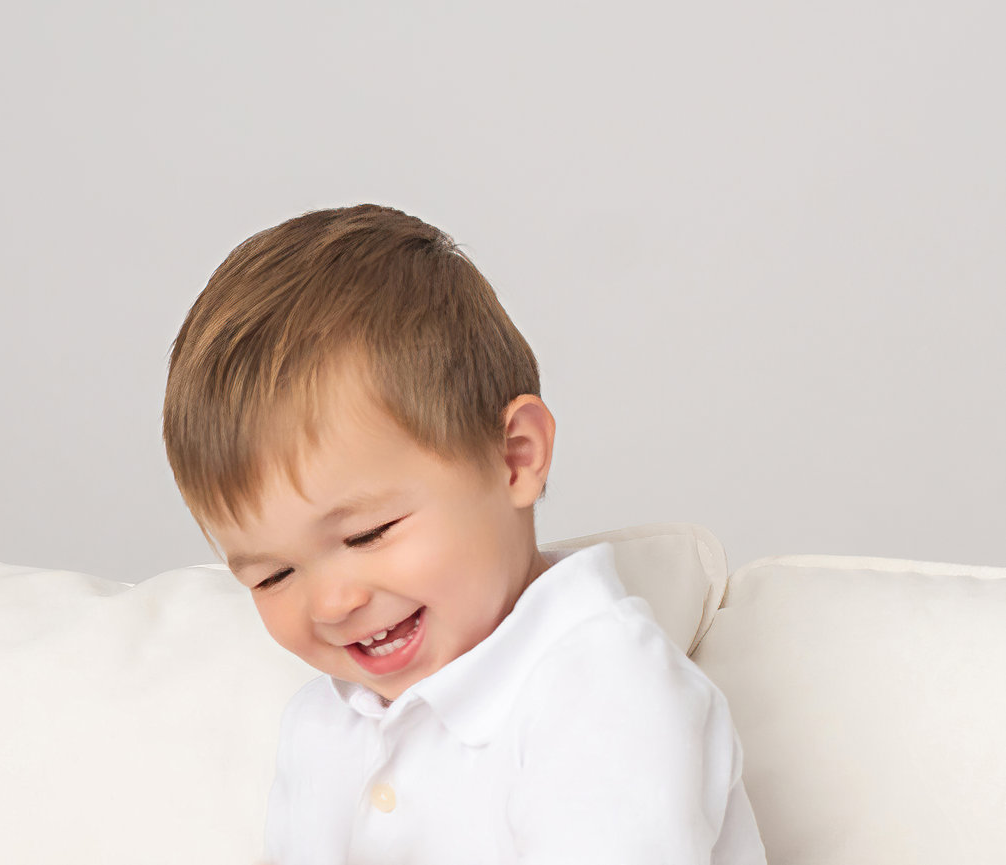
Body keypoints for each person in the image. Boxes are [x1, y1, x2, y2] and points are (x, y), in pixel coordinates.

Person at [162, 204, 767, 864]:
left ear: (514, 457)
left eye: (368, 533)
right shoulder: (321, 725)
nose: (330, 603)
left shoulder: (606, 689)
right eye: (272, 575)